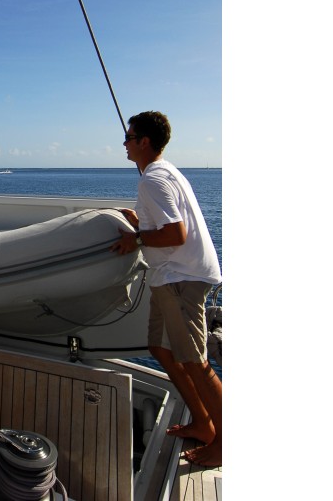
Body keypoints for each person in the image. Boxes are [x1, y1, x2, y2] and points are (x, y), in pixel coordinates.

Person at [111, 111, 223, 468]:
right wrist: (141, 223)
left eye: (129, 137)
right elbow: (169, 223)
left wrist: (136, 239)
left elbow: (176, 234)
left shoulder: (153, 180)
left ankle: (224, 442)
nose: (125, 143)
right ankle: (203, 422)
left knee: (196, 362)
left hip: (181, 278)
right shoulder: (164, 172)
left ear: (144, 141)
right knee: (160, 349)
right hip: (169, 277)